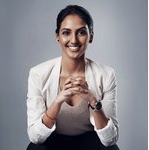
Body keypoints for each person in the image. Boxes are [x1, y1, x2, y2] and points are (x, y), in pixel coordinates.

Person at [26, 5, 119, 150]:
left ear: (91, 36)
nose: (74, 40)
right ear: (57, 37)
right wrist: (57, 101)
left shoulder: (106, 75)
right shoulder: (38, 74)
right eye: (66, 33)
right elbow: (35, 137)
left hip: (90, 141)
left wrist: (93, 101)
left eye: (81, 32)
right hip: (53, 141)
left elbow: (110, 139)